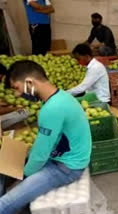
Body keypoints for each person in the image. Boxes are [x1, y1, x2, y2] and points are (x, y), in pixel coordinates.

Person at [0, 60, 91, 214]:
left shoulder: (52, 109)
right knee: (5, 166)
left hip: (66, 168)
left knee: (5, 203)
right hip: (57, 157)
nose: (17, 94)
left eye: (16, 88)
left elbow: (40, 155)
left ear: (30, 83)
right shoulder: (59, 97)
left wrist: (24, 175)